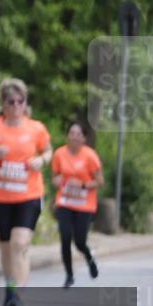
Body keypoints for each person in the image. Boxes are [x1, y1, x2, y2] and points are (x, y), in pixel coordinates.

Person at [0, 78, 53, 306]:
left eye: (21, 101)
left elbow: (48, 150)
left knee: (20, 243)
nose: (17, 105)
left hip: (29, 195)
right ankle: (9, 288)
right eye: (12, 101)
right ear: (3, 103)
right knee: (7, 247)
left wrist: (41, 160)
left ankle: (17, 294)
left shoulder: (36, 128)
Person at [52, 121, 103, 288]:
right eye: (71, 133)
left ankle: (90, 258)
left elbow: (100, 181)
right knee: (65, 237)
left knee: (80, 241)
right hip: (65, 202)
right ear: (68, 136)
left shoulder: (90, 156)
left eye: (78, 134)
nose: (74, 137)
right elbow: (55, 178)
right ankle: (69, 274)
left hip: (84, 204)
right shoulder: (59, 154)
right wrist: (57, 181)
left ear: (84, 138)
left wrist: (81, 185)